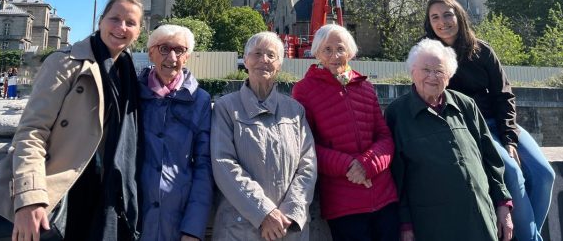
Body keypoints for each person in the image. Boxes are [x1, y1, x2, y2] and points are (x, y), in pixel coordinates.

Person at [0, 0, 143, 241]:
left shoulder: (128, 75)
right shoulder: (64, 63)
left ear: (139, 31)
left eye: (130, 22)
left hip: (102, 195)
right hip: (56, 194)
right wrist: (29, 197)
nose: (121, 27)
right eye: (115, 19)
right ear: (100, 21)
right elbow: (32, 132)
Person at [424, 0, 555, 241]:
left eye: (448, 14)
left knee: (544, 174)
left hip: (498, 122)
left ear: (459, 16)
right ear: (429, 23)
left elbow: (503, 95)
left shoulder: (481, 50)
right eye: (435, 17)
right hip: (471, 128)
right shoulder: (429, 55)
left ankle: (528, 235)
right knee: (512, 172)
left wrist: (510, 139)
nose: (443, 22)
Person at [385, 38, 514, 241]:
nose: (432, 76)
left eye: (439, 71)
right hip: (432, 224)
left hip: (479, 217)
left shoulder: (466, 105)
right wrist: (405, 223)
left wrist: (503, 204)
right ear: (412, 71)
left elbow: (491, 159)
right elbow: (395, 175)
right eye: (426, 70)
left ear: (449, 75)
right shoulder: (397, 113)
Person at [292, 24, 398, 241]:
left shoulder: (366, 87)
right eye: (327, 49)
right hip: (343, 201)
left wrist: (367, 165)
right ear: (317, 53)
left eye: (340, 49)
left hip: (383, 195)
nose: (335, 56)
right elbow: (305, 146)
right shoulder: (304, 90)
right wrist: (349, 166)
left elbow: (384, 137)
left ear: (350, 52)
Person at [211, 31, 317, 240]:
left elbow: (308, 165)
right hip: (239, 230)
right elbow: (224, 163)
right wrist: (264, 213)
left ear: (280, 64)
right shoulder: (225, 108)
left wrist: (291, 212)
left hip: (287, 229)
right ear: (246, 60)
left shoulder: (295, 111)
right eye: (257, 53)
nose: (264, 60)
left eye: (271, 55)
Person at [138, 24, 212, 241]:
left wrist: (193, 228)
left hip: (178, 221)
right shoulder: (132, 93)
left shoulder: (200, 100)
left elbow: (204, 164)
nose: (171, 57)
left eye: (179, 50)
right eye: (164, 49)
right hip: (134, 219)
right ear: (151, 53)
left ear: (187, 57)